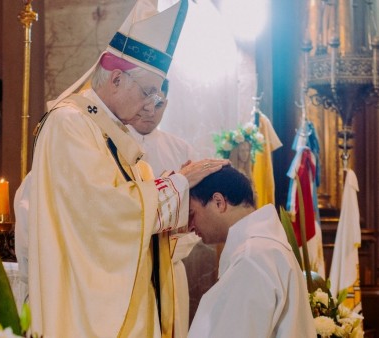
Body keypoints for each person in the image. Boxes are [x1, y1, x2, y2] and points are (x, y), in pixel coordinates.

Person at [14, 1, 228, 336]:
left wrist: (181, 213)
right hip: (85, 308)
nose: (150, 106)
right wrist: (178, 183)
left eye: (156, 97)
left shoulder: (109, 130)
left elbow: (127, 212)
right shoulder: (70, 124)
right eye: (148, 93)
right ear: (116, 79)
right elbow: (103, 213)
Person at [187, 165, 316, 338]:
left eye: (192, 213)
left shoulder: (252, 257)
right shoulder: (264, 248)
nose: (190, 226)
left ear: (219, 202)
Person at [127, 78, 201, 338]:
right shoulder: (113, 146)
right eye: (145, 102)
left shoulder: (181, 150)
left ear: (166, 103)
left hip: (171, 267)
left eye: (158, 104)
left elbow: (196, 215)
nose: (150, 111)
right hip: (127, 270)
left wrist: (169, 247)